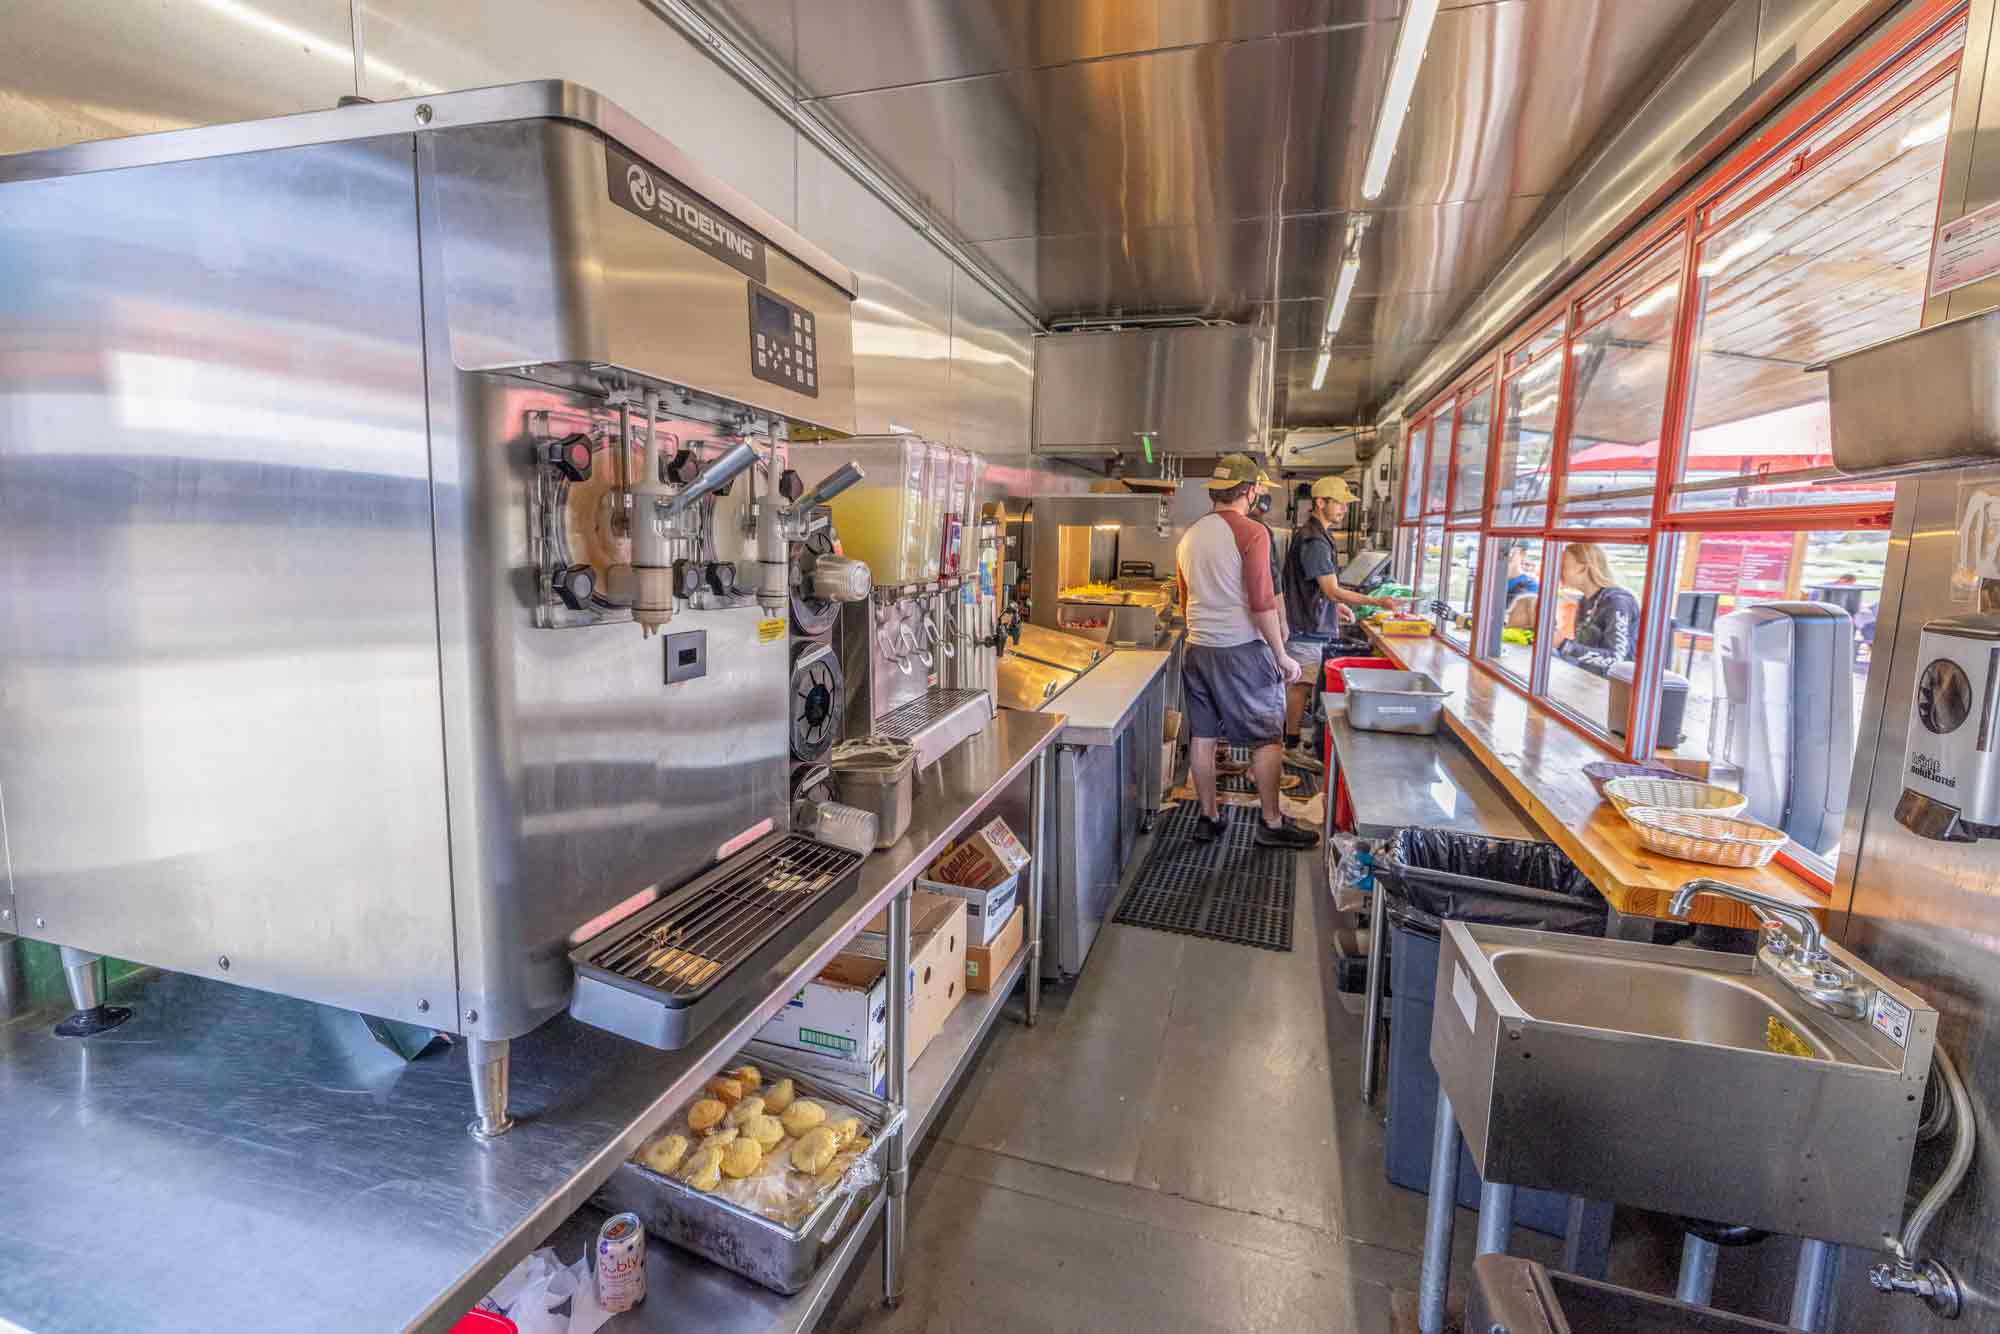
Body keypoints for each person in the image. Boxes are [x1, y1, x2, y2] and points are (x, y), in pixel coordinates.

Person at [1175, 454, 1320, 850]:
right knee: (1266, 738)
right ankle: (1271, 824)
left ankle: (1208, 817)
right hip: (1242, 650)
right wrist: (1282, 655)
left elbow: (1184, 597)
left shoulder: (1191, 534)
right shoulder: (1254, 532)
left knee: (1203, 736)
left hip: (1198, 648)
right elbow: (1261, 603)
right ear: (1250, 490)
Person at [1280, 475, 1402, 770]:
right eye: (1339, 504)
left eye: (1346, 505)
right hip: (1304, 626)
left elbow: (1315, 589)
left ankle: (1290, 740)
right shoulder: (1314, 540)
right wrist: (1376, 602)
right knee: (1300, 685)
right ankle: (1289, 746)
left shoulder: (1317, 535)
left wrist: (1335, 609)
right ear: (1320, 503)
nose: (1344, 510)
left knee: (1302, 684)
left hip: (1308, 621)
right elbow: (1330, 589)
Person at [1554, 544, 1639, 675]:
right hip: (1587, 680)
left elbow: (1616, 659)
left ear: (1583, 568)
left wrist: (1565, 645)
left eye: (1563, 566)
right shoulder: (1585, 600)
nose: (1558, 572)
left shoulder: (1617, 602)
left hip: (1611, 688)